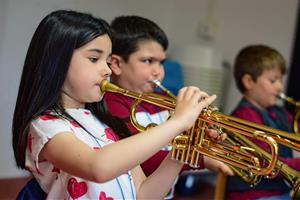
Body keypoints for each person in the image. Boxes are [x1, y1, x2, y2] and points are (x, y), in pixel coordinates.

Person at [12, 10, 220, 199]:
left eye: (108, 60)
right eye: (94, 59)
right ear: (56, 62)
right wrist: (177, 122)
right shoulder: (46, 126)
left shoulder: (106, 124)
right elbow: (97, 167)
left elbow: (144, 195)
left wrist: (181, 150)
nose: (108, 70)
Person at [103, 15, 234, 198]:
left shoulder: (164, 99)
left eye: (161, 62)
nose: (158, 71)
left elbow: (174, 142)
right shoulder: (110, 106)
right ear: (117, 64)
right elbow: (141, 160)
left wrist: (204, 137)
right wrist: (199, 157)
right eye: (148, 61)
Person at [227, 44, 300, 200]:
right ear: (249, 81)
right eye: (273, 80)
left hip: (280, 192)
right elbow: (264, 162)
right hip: (253, 194)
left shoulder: (279, 112)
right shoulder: (244, 116)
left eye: (281, 80)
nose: (280, 86)